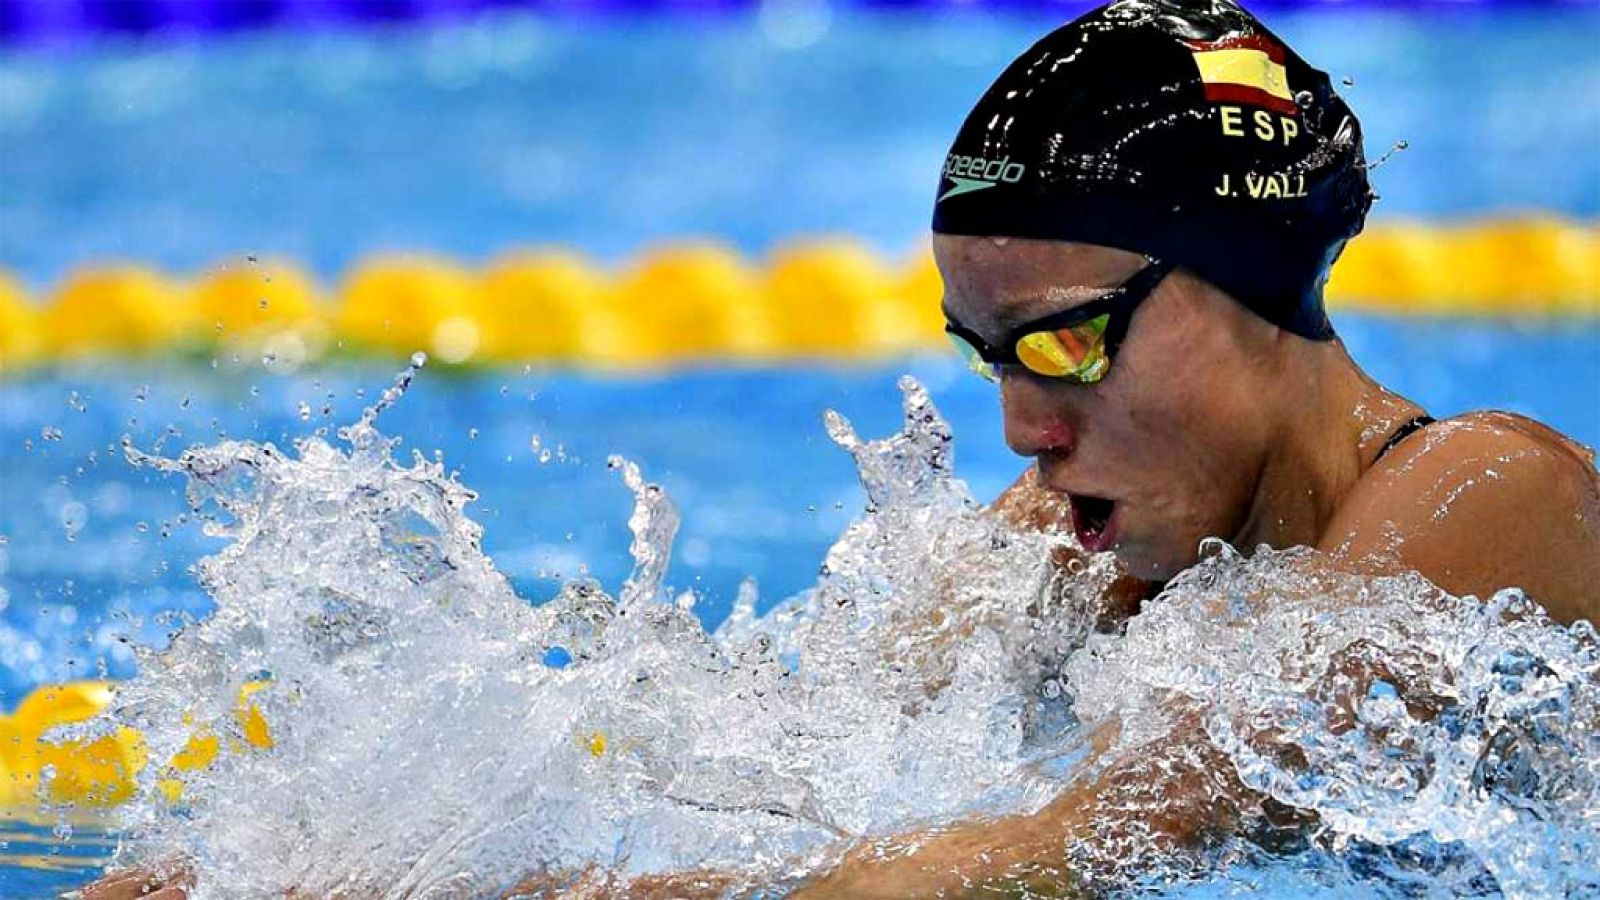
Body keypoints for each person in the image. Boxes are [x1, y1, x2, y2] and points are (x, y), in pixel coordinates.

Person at [83, 1, 1599, 897]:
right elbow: (766, 764)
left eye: (1067, 342)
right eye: (990, 358)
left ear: (1246, 284)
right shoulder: (1082, 548)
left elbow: (1062, 855)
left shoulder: (1482, 498)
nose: (1025, 427)